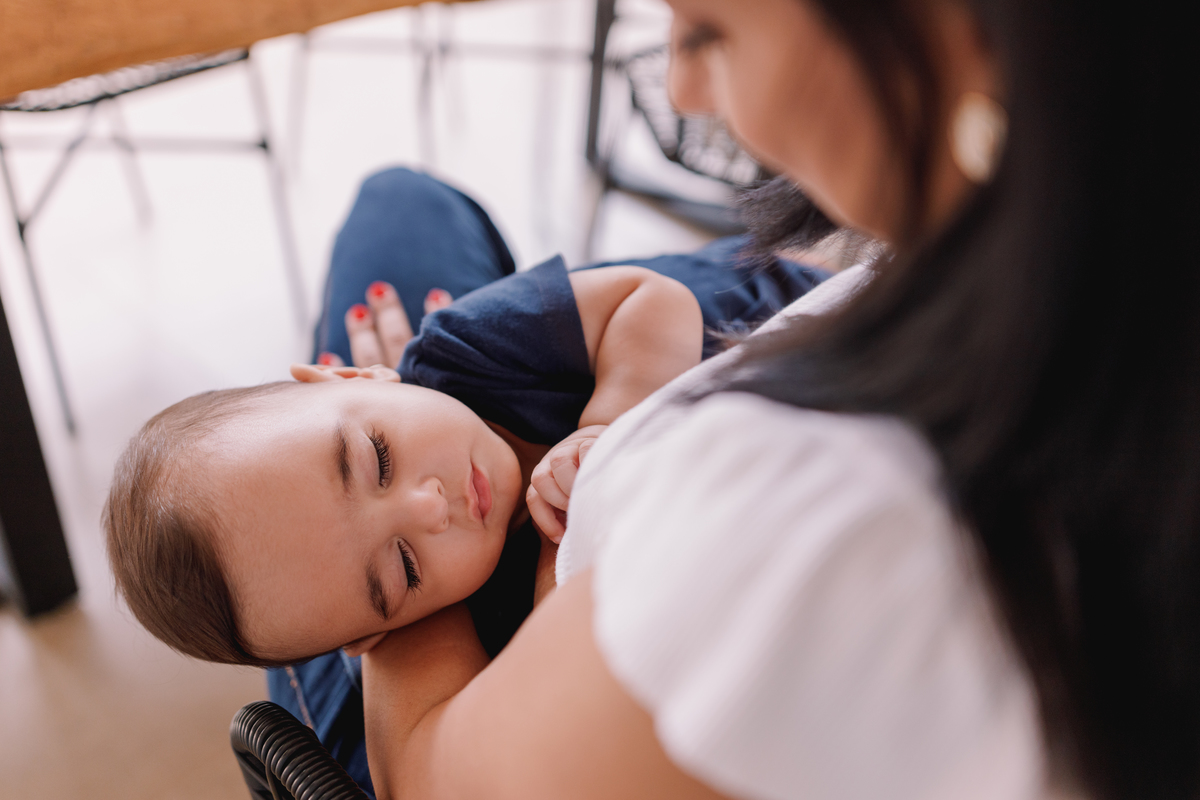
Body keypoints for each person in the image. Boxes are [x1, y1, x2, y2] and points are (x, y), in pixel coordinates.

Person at [352, 1, 1200, 799]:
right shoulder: (1101, 257)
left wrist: (380, 576)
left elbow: (431, 776)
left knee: (397, 219)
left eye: (708, 34)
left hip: (504, 634)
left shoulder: (818, 512)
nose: (681, 90)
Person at [103, 167, 826, 795]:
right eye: (400, 568)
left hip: (754, 308)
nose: (428, 507)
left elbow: (652, 299)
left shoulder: (461, 347)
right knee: (401, 203)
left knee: (400, 195)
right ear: (373, 638)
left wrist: (607, 429)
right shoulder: (481, 629)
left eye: (376, 458)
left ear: (346, 370)